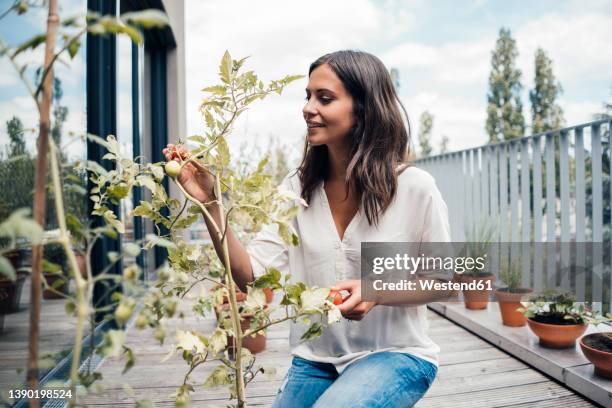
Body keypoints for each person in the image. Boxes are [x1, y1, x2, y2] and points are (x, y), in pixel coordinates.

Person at [163, 50, 452, 408]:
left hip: (397, 354)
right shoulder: (297, 189)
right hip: (316, 360)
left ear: (363, 110)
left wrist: (378, 289)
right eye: (308, 96)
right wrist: (209, 202)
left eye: (325, 98)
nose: (307, 107)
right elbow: (250, 277)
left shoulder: (415, 188)